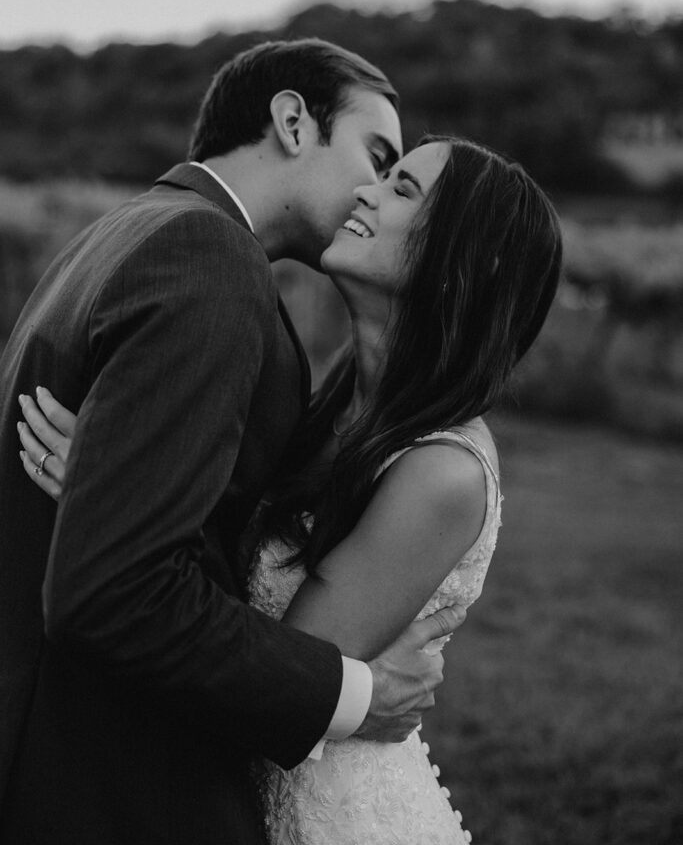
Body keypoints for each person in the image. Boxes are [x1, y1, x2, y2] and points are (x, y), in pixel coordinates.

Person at [18, 135, 563, 843]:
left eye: (401, 190)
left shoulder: (442, 472)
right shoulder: (334, 403)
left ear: (464, 266)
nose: (365, 190)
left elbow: (276, 682)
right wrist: (121, 489)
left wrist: (114, 512)